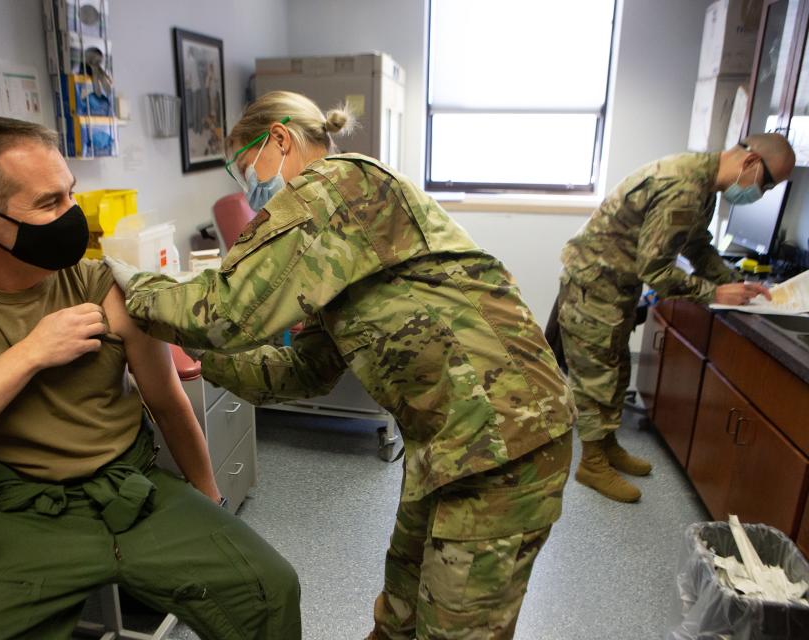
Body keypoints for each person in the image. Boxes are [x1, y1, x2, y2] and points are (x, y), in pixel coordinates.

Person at [106, 91, 577, 640]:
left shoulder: (338, 187)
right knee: (399, 611)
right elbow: (303, 372)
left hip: (506, 435)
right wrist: (205, 362)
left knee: (456, 628)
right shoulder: (335, 247)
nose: (247, 188)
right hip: (448, 438)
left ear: (280, 139)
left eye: (244, 167)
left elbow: (225, 310)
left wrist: (133, 286)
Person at [0, 116, 300, 639]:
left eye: (70, 194)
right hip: (17, 513)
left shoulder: (99, 282)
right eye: (49, 203)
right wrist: (31, 353)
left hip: (135, 490)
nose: (73, 216)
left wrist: (209, 497)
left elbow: (166, 401)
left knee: (270, 589)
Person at [556, 132, 795, 503]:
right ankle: (591, 463)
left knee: (616, 367)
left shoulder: (702, 184)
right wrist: (714, 293)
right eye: (766, 183)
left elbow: (697, 245)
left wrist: (734, 282)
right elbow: (655, 268)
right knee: (596, 373)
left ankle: (607, 445)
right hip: (595, 283)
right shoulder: (683, 185)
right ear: (750, 163)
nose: (761, 194)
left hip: (615, 284)